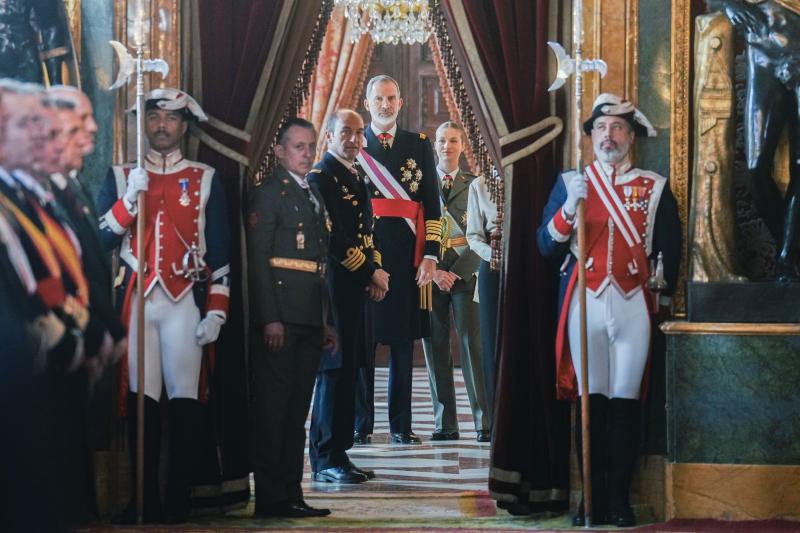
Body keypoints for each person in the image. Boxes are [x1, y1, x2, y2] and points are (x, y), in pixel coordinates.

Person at [536, 93, 681, 527]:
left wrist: (664, 296)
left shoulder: (654, 187)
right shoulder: (571, 182)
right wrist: (566, 208)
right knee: (590, 402)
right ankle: (591, 500)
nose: (608, 135)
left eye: (617, 128)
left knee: (625, 404)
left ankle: (618, 500)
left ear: (631, 136)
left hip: (634, 304)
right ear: (591, 137)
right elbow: (545, 247)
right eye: (600, 128)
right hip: (587, 303)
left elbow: (669, 250)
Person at [96, 88, 231, 524]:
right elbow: (100, 237)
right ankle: (142, 499)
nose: (161, 125)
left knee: (186, 402)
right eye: (153, 117)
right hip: (137, 301)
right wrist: (127, 201)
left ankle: (179, 501)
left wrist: (216, 311)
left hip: (184, 303)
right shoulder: (120, 176)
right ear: (143, 123)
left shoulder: (206, 176)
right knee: (141, 403)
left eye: (171, 118)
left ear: (185, 125)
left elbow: (221, 254)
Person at [246, 117, 335, 517]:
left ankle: (291, 492)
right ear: (280, 151)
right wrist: (270, 318)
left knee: (297, 408)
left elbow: (320, 265)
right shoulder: (268, 194)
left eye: (310, 146)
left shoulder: (313, 193)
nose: (306, 153)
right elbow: (259, 262)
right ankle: (270, 496)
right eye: (298, 146)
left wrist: (325, 320)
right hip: (281, 318)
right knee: (273, 409)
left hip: (309, 317)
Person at [354, 75, 441, 445]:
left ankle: (401, 426)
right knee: (363, 344)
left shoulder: (418, 145)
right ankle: (360, 424)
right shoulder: (355, 145)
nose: (385, 105)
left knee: (403, 345)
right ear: (367, 103)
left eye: (391, 98)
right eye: (378, 99)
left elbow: (432, 203)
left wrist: (431, 255)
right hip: (365, 257)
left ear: (401, 103)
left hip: (407, 258)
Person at [308, 109, 387, 484]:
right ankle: (324, 458)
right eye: (345, 132)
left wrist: (375, 269)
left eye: (359, 132)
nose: (354, 139)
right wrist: (370, 271)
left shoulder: (356, 175)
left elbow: (367, 232)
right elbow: (334, 236)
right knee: (333, 372)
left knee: (351, 368)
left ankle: (340, 452)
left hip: (355, 287)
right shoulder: (320, 177)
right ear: (329, 136)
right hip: (332, 290)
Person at [706, 0, 800, 280]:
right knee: (755, 169)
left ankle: (786, 261)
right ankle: (791, 249)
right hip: (761, 57)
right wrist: (728, 4)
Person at [422, 121, 490, 443]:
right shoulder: (422, 184)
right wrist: (435, 271)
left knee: (471, 345)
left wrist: (458, 271)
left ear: (462, 146)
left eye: (453, 141)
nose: (446, 146)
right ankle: (444, 424)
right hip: (430, 275)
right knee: (435, 347)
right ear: (434, 145)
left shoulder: (476, 184)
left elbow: (485, 235)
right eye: (441, 141)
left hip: (466, 274)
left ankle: (483, 421)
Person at [465, 156, 501, 425]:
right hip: (494, 266)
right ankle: (494, 413)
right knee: (490, 340)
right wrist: (494, 255)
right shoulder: (478, 185)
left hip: (524, 263)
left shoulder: (523, 182)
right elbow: (473, 236)